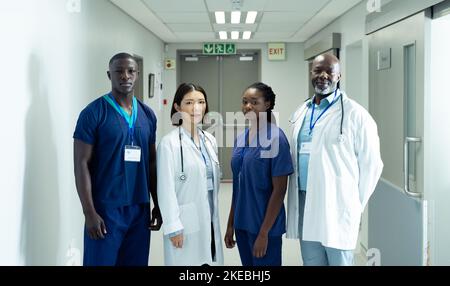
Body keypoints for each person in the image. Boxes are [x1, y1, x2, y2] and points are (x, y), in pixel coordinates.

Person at [286, 53, 383, 266]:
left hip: (337, 204)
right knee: (311, 260)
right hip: (304, 199)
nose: (323, 76)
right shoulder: (302, 110)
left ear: (339, 76)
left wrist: (355, 204)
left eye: (329, 71)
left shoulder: (356, 115)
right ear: (310, 74)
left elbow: (372, 165)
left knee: (339, 260)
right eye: (317, 70)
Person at [73, 53, 162, 266]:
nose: (125, 76)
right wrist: (89, 212)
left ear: (137, 74)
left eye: (130, 71)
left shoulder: (147, 115)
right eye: (119, 71)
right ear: (109, 75)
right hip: (105, 209)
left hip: (139, 209)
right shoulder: (94, 113)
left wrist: (158, 203)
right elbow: (81, 164)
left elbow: (151, 162)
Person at [225, 82, 294, 266]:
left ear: (268, 104)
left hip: (265, 228)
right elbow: (237, 187)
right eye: (245, 102)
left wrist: (264, 233)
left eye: (254, 102)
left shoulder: (276, 139)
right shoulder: (241, 138)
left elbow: (279, 191)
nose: (248, 106)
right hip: (242, 224)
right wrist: (231, 224)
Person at [157, 83, 224, 266]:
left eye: (201, 102)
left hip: (210, 215)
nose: (196, 108)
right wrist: (173, 226)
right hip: (184, 222)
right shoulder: (168, 144)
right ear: (178, 107)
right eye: (189, 102)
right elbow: (165, 189)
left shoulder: (209, 139)